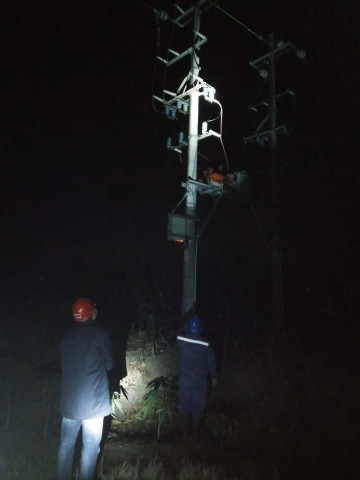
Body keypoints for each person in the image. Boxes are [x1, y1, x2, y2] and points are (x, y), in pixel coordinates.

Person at [57, 297, 114, 480]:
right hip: (93, 404)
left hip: (70, 403)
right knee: (90, 447)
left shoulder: (66, 337)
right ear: (91, 313)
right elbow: (110, 363)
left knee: (66, 445)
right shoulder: (101, 335)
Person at [176, 315, 218, 438]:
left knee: (185, 404)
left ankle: (185, 433)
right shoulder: (206, 344)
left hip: (185, 381)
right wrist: (214, 377)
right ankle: (197, 434)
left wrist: (186, 325)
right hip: (200, 382)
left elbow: (178, 332)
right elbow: (212, 362)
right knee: (199, 406)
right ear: (200, 329)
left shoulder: (181, 340)